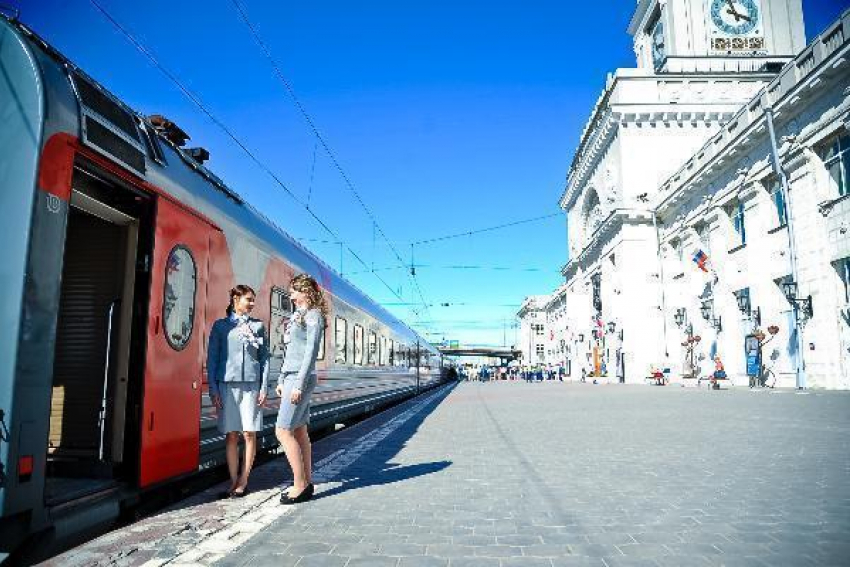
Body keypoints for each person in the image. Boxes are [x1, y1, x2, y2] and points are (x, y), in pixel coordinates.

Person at [207, 285, 269, 499]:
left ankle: (244, 480)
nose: (252, 304)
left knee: (249, 433)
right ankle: (233, 480)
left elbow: (264, 359)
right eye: (248, 299)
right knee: (231, 434)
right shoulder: (221, 327)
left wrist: (263, 387)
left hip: (251, 386)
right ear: (235, 298)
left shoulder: (258, 326)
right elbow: (212, 359)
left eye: (253, 300)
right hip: (227, 385)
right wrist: (213, 388)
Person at [276, 274, 327, 505]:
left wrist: (297, 383)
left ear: (305, 291)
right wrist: (281, 378)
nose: (291, 296)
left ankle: (299, 485)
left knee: (282, 431)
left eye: (294, 291)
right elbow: (289, 351)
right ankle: (307, 481)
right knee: (299, 431)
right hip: (291, 375)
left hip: (300, 377)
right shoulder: (299, 315)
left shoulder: (314, 316)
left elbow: (311, 353)